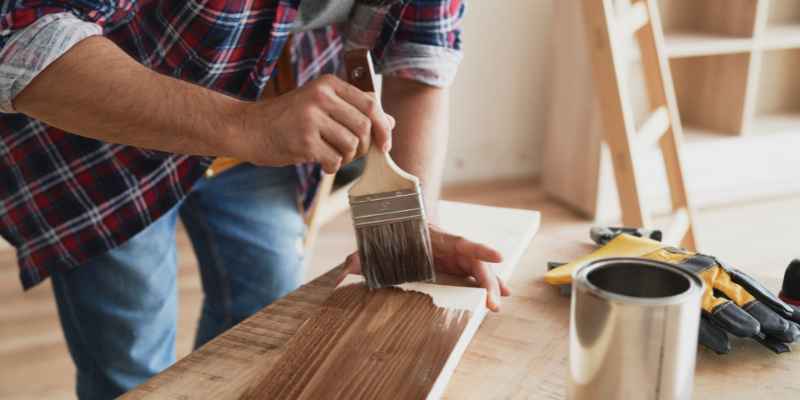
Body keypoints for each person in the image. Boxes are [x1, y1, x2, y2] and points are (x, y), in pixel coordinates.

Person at [0, 1, 509, 398]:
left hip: (269, 128)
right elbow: (22, 39)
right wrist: (244, 125)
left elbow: (419, 58)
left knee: (266, 328)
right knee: (131, 367)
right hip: (99, 145)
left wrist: (407, 226)